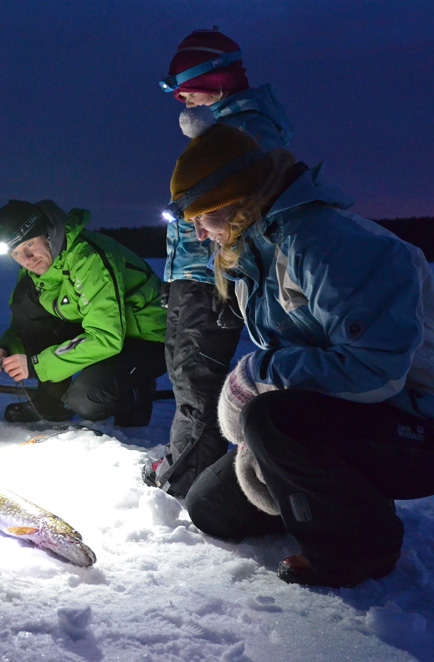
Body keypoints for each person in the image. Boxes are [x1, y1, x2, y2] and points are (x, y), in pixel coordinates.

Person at [166, 115, 434, 587]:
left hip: (423, 431)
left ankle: (361, 550)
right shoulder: (259, 251)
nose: (200, 235)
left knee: (272, 421)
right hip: (342, 419)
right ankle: (334, 500)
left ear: (234, 202)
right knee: (210, 507)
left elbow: (376, 369)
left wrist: (259, 375)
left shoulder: (329, 243)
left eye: (202, 218)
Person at [144, 27, 294, 499]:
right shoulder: (229, 121)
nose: (179, 96)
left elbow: (244, 204)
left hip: (212, 272)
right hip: (197, 269)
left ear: (217, 74)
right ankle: (189, 464)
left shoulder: (246, 127)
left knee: (195, 376)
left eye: (183, 83)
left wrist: (211, 135)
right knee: (186, 370)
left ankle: (185, 480)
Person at [0, 199, 167, 426]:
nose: (27, 259)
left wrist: (37, 366)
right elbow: (27, 322)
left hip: (147, 338)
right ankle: (51, 402)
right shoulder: (35, 271)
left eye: (29, 245)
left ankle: (138, 393)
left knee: (86, 400)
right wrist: (6, 349)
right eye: (16, 253)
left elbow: (106, 337)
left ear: (48, 234)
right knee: (27, 300)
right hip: (100, 329)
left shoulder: (87, 258)